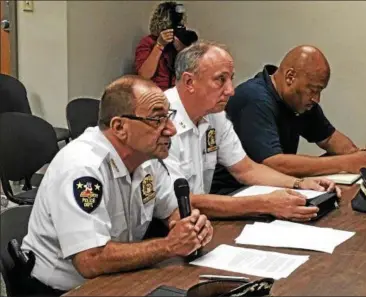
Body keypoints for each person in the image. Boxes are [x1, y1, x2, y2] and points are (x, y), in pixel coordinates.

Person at [20, 75, 213, 295]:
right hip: (63, 290)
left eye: (169, 117)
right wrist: (170, 245)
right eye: (157, 120)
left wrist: (190, 226)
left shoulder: (147, 160)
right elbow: (90, 260)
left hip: (120, 277)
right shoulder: (82, 169)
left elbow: (172, 212)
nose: (171, 129)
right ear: (120, 127)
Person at [163, 41, 341, 221]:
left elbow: (245, 169)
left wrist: (299, 183)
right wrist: (265, 203)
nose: (231, 91)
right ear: (189, 82)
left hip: (198, 221)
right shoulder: (161, 121)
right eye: (220, 80)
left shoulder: (214, 115)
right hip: (163, 231)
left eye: (231, 79)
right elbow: (178, 202)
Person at [211, 45, 366, 195]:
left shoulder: (299, 101)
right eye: (313, 90)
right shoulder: (254, 98)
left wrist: (361, 156)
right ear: (290, 77)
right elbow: (274, 163)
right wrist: (347, 162)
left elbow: (329, 138)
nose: (317, 98)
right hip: (235, 194)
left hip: (272, 190)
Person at [135, 1, 198, 90]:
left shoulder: (180, 41)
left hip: (179, 91)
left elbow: (193, 73)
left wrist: (182, 50)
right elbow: (144, 76)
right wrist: (159, 45)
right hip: (156, 91)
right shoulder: (148, 42)